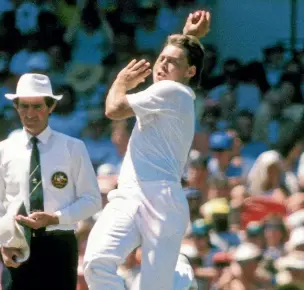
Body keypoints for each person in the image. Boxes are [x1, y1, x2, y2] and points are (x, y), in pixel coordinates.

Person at [83, 10, 211, 290]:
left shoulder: (173, 92)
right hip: (128, 194)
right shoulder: (165, 92)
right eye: (161, 59)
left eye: (172, 63)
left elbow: (113, 109)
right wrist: (189, 37)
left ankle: (180, 273)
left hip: (162, 199)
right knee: (95, 262)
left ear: (190, 72)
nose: (162, 65)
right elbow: (180, 57)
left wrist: (121, 81)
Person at [0, 73, 102, 290]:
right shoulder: (2, 150)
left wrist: (55, 218)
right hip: (17, 242)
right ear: (16, 107)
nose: (30, 113)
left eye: (37, 106)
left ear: (51, 107)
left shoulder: (72, 148)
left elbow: (92, 200)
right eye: (24, 106)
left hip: (59, 244)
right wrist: (2, 242)